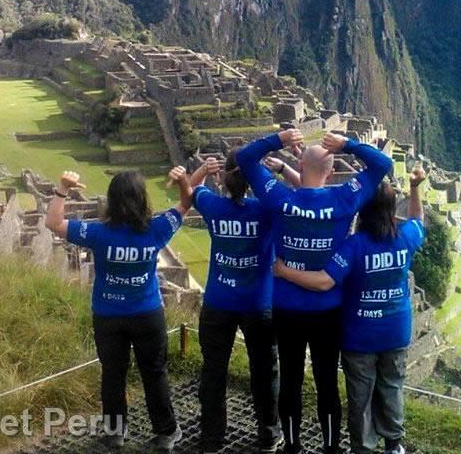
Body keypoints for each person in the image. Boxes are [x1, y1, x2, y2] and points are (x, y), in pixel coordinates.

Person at [237, 129, 393, 454]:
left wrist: (278, 139)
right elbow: (382, 165)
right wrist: (348, 145)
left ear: (300, 165)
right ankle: (331, 446)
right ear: (332, 172)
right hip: (328, 310)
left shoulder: (280, 198)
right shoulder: (344, 198)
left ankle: (292, 445)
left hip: (287, 308)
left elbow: (244, 158)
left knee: (291, 381)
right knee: (326, 381)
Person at [274, 168, 427, 454]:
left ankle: (364, 447)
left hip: (361, 335)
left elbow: (323, 281)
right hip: (396, 331)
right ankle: (394, 443)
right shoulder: (405, 237)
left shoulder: (354, 247)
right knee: (392, 387)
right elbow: (419, 219)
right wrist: (415, 187)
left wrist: (284, 271)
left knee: (361, 395)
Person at [45, 167, 192, 451]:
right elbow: (186, 203)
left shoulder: (97, 233)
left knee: (113, 373)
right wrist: (184, 180)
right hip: (147, 313)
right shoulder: (157, 229)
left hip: (108, 315)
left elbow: (54, 222)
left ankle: (115, 432)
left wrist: (62, 188)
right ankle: (165, 432)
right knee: (154, 373)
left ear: (112, 200)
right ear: (143, 199)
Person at [174, 151, 292, 453]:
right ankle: (268, 434)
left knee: (214, 371)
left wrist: (202, 169)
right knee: (265, 372)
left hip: (219, 301)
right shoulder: (266, 210)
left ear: (223, 178)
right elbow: (297, 193)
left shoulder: (213, 206)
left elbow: (188, 191)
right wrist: (277, 169)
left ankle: (212, 438)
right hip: (258, 303)